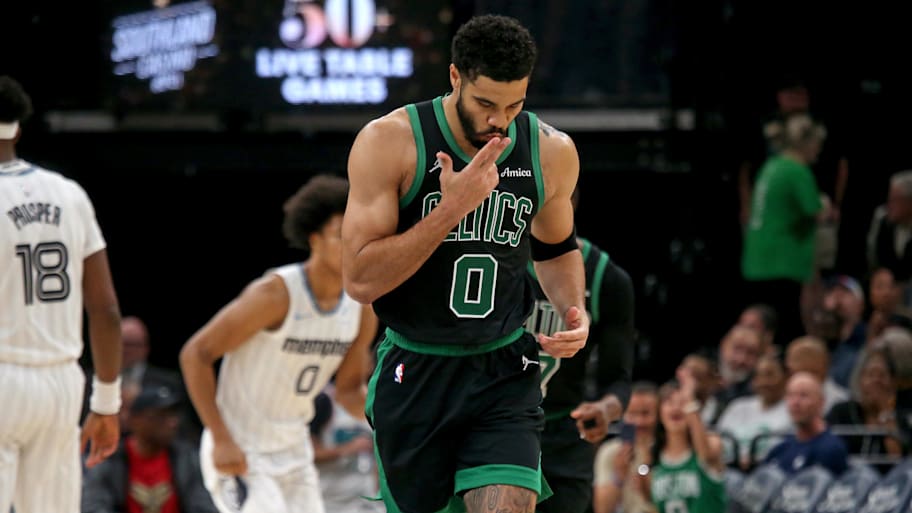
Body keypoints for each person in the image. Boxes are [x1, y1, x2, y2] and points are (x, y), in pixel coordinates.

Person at [342, 14, 589, 513]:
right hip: (415, 369)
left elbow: (557, 248)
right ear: (455, 78)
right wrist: (453, 208)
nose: (500, 120)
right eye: (485, 104)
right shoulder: (390, 142)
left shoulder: (551, 152)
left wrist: (572, 308)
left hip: (503, 368)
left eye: (514, 104)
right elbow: (361, 279)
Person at [179, 175, 378, 513]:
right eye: (339, 236)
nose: (350, 244)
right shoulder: (276, 294)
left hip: (295, 448)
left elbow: (348, 391)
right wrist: (220, 438)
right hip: (242, 447)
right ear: (314, 239)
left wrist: (392, 422)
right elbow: (195, 354)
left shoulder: (361, 307)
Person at [0, 75, 123, 513]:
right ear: (17, 126)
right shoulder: (70, 195)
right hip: (61, 384)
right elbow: (106, 310)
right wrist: (107, 403)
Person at [524, 185, 633, 513]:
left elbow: (618, 380)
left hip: (562, 434)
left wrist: (605, 410)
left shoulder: (605, 277)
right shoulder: (496, 261)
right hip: (492, 425)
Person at [741, 113, 830, 346]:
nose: (818, 152)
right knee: (786, 329)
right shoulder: (796, 170)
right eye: (817, 145)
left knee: (766, 325)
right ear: (807, 143)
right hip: (782, 260)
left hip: (759, 257)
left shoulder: (772, 166)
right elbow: (817, 211)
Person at [82, 383, 218, 513]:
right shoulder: (108, 460)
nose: (172, 422)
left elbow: (204, 507)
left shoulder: (188, 459)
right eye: (160, 416)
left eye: (172, 415)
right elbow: (93, 507)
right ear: (135, 420)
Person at [643, 368, 726, 513]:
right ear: (659, 411)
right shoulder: (652, 457)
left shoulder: (712, 443)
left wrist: (690, 400)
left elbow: (705, 455)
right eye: (669, 402)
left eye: (682, 402)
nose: (676, 408)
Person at [592, 382, 659, 513]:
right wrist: (618, 477)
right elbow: (602, 509)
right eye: (632, 414)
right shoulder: (610, 451)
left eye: (646, 413)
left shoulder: (667, 447)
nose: (639, 421)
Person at [764, 372, 848, 476]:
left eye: (803, 395)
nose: (795, 403)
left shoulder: (831, 448)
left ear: (821, 402)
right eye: (790, 395)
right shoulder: (780, 448)